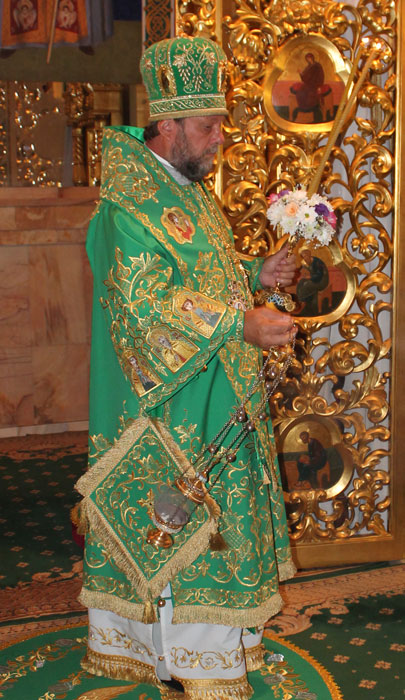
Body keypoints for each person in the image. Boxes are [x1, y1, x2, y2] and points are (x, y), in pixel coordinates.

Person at [75, 35, 297, 699]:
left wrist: (254, 273)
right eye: (208, 127)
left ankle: (210, 650)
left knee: (213, 520)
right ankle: (179, 660)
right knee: (175, 523)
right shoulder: (125, 206)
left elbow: (200, 274)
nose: (220, 138)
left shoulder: (187, 190)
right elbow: (143, 306)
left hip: (215, 393)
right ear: (168, 126)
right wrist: (239, 323)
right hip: (167, 405)